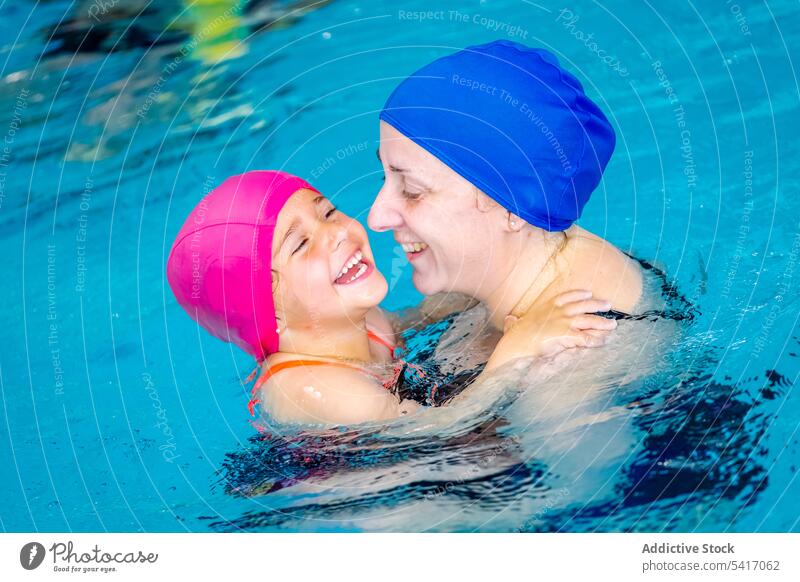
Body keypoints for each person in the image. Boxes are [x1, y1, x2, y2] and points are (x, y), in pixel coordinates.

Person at [166, 171, 616, 426]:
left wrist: (496, 289)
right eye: (301, 245)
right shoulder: (310, 388)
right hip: (365, 478)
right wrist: (517, 348)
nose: (339, 232)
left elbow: (420, 318)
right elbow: (439, 430)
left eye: (327, 212)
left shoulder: (364, 320)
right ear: (269, 311)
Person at [369, 40, 643, 363]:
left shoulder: (569, 356)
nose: (376, 217)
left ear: (514, 207)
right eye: (384, 177)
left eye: (412, 190)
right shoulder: (497, 275)